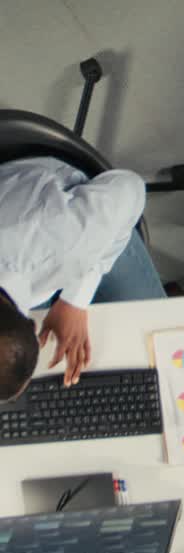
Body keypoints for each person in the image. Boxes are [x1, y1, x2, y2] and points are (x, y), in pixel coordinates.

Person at [0, 157, 165, 401]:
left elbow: (131, 188)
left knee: (152, 326)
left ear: (35, 326)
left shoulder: (68, 236)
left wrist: (75, 300)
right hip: (31, 258)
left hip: (67, 206)